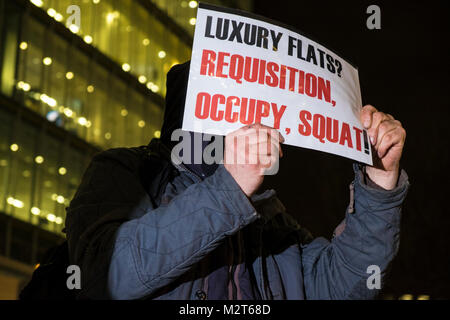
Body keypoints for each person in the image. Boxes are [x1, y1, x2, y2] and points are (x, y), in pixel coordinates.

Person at [65, 61, 409, 300]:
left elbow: (339, 285)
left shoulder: (267, 214)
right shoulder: (128, 171)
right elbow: (103, 275)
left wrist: (378, 185)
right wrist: (228, 190)